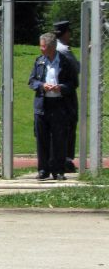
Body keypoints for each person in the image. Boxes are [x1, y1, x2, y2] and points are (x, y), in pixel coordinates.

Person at [28, 31, 78, 181]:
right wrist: (42, 85)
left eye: (43, 46)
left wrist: (60, 88)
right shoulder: (39, 61)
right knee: (42, 138)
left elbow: (73, 83)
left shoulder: (65, 62)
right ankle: (43, 170)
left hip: (59, 105)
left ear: (51, 47)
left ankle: (59, 170)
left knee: (59, 139)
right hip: (42, 105)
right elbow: (32, 81)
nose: (41, 49)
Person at [53, 20, 80, 172]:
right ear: (66, 33)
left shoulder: (53, 47)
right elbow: (77, 68)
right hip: (67, 92)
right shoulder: (64, 50)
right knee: (69, 125)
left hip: (54, 93)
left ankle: (58, 157)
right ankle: (66, 159)